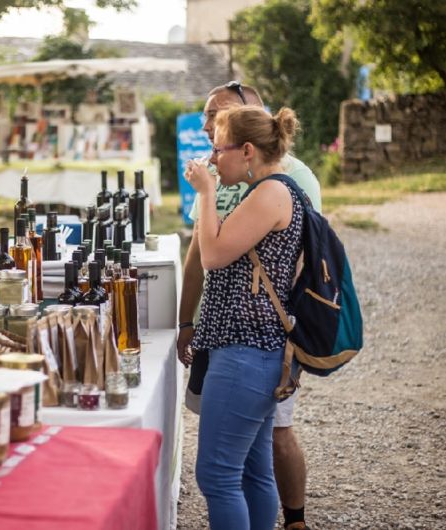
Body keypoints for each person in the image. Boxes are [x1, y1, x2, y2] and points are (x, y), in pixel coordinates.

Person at [177, 82, 319, 530]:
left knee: (217, 476)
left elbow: (213, 254)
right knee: (254, 472)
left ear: (249, 151)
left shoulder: (273, 193)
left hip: (245, 349)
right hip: (250, 348)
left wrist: (203, 193)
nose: (213, 159)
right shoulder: (267, 190)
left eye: (220, 149)